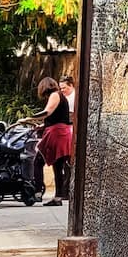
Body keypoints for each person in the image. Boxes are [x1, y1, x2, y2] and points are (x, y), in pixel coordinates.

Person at [30, 75, 73, 205]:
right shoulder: (62, 97)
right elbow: (59, 117)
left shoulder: (55, 95)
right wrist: (42, 126)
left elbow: (47, 112)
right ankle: (58, 197)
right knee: (58, 166)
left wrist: (29, 119)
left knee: (38, 161)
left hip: (55, 134)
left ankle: (37, 193)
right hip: (63, 133)